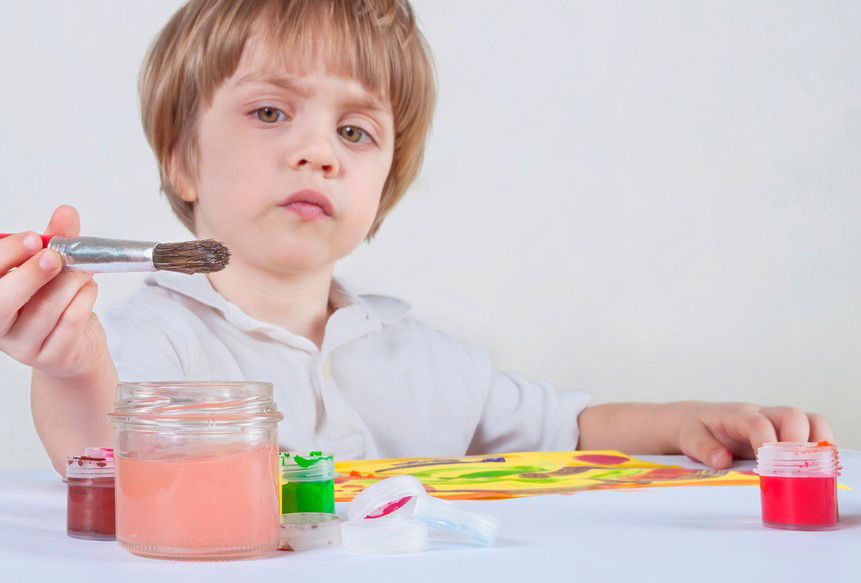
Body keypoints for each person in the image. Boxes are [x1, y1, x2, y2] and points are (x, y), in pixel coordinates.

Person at [0, 0, 833, 475]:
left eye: (356, 133)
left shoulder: (423, 360)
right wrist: (71, 368)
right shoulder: (146, 341)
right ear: (182, 158)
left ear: (384, 184)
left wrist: (692, 418)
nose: (318, 150)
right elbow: (106, 461)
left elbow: (566, 428)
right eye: (269, 111)